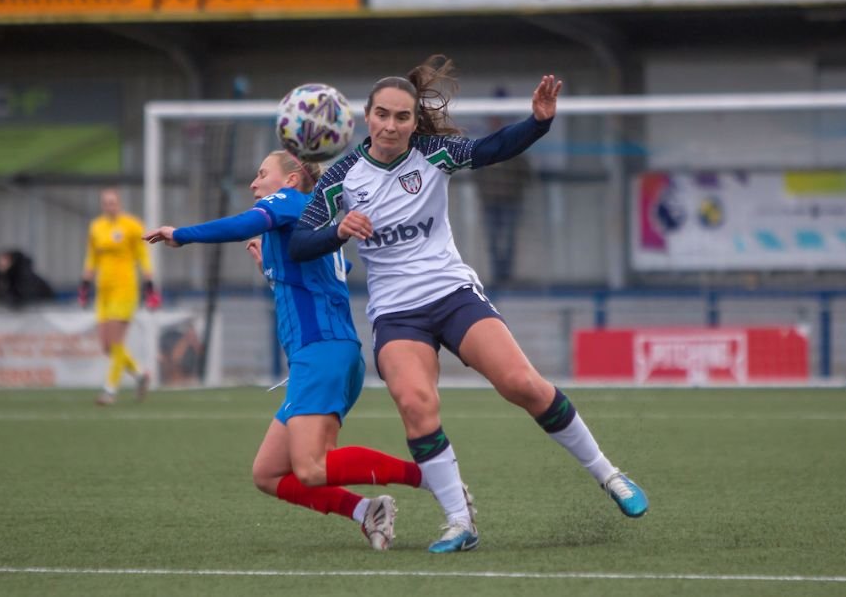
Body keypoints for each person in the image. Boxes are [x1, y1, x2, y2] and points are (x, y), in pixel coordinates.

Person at [289, 55, 648, 554]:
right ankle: (460, 521)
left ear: (415, 122)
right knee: (416, 405)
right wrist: (337, 231)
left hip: (452, 294)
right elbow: (300, 243)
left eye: (402, 116)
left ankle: (609, 475)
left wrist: (539, 123)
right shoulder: (343, 177)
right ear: (365, 117)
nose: (391, 125)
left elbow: (490, 148)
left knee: (522, 384)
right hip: (396, 313)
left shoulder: (433, 153)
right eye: (383, 115)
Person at [143, 149, 449, 552]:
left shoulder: (293, 203)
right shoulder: (308, 225)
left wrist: (181, 234)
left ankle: (432, 476)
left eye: (261, 173)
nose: (253, 184)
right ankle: (366, 511)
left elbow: (243, 224)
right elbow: (317, 279)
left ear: (289, 181)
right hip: (326, 353)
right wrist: (269, 269)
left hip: (321, 351)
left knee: (310, 467)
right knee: (268, 473)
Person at [80, 188, 159, 406]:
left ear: (119, 203)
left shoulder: (132, 225)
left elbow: (143, 255)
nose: (110, 206)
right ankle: (141, 374)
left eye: (113, 202)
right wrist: (85, 284)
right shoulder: (96, 227)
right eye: (106, 203)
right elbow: (91, 257)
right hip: (103, 290)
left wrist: (149, 283)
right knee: (106, 346)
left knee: (116, 341)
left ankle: (110, 390)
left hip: (125, 289)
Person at [473, 90, 534, 285]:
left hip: (510, 199)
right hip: (490, 199)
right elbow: (476, 171)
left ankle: (506, 276)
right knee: (492, 239)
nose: (495, 121)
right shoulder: (483, 145)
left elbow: (524, 170)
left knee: (508, 238)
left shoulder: (512, 143)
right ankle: (497, 275)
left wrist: (517, 186)